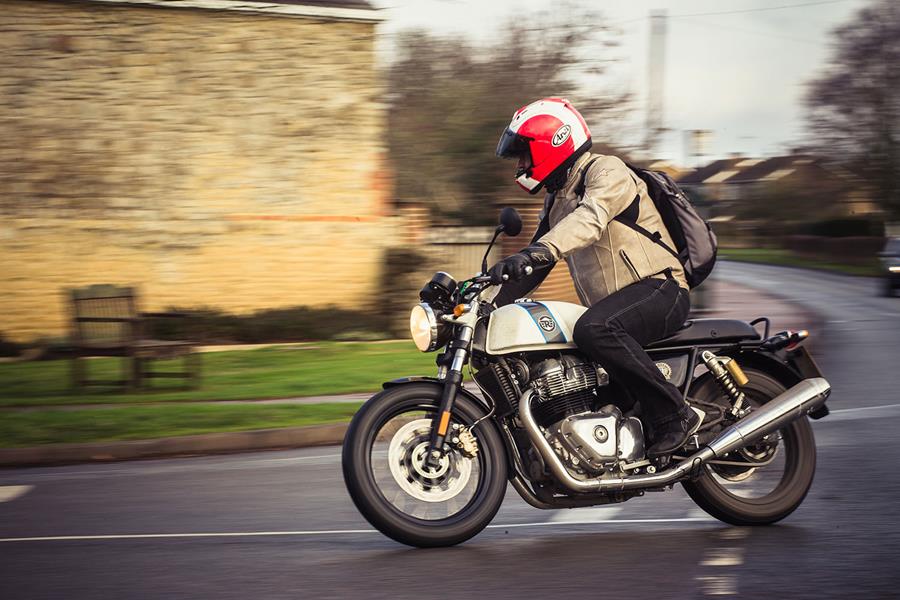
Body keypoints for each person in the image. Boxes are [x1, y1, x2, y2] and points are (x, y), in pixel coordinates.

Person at [490, 97, 702, 457]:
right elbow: (535, 266)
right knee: (585, 378)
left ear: (553, 144)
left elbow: (589, 219)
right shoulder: (556, 199)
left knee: (594, 328)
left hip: (661, 289)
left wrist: (539, 250)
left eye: (525, 154)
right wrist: (484, 302)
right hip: (619, 306)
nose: (522, 165)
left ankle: (674, 416)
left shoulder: (607, 171)